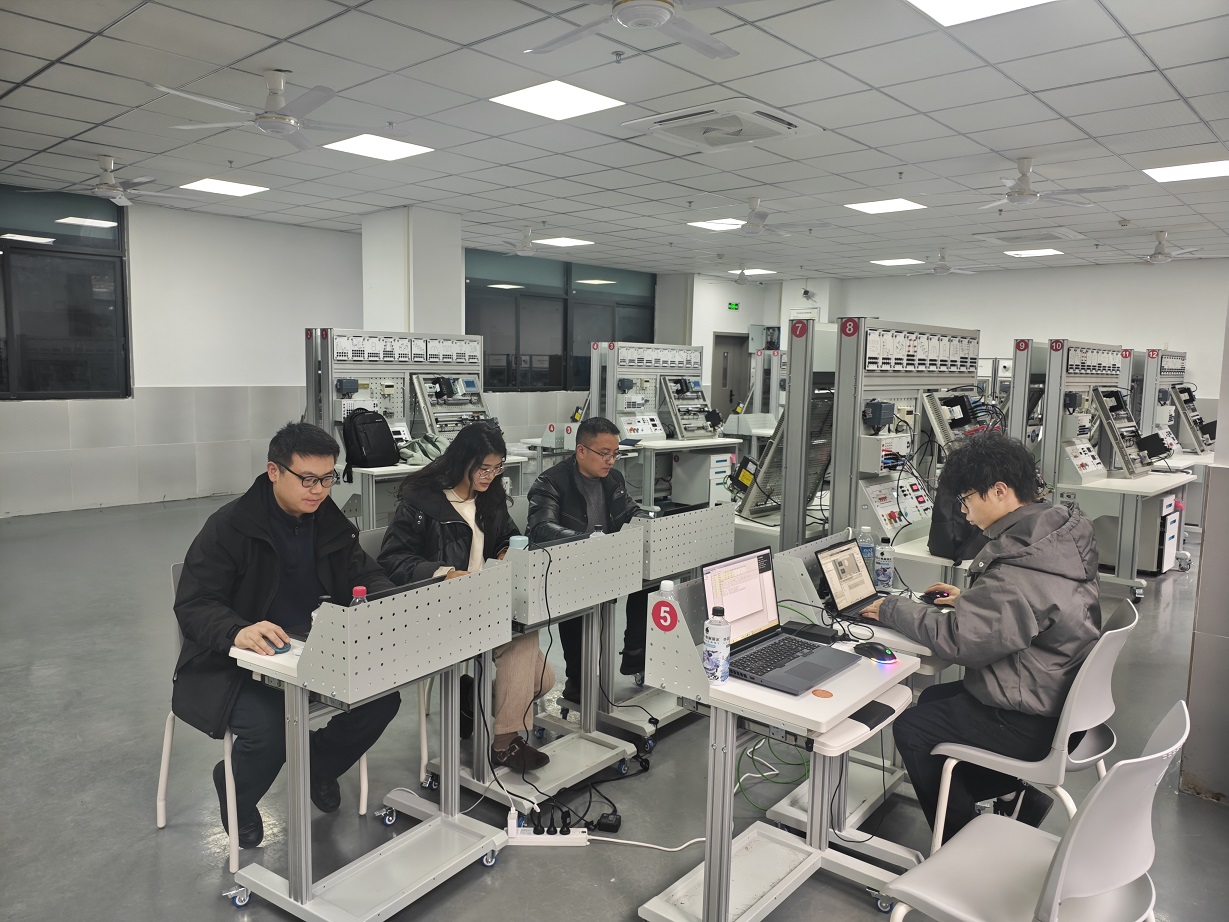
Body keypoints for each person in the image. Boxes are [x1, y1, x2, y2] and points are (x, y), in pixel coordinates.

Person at [862, 431, 1101, 843]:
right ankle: (1011, 794)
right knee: (934, 699)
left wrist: (891, 608)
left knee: (913, 727)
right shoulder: (1057, 537)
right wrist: (972, 600)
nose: (965, 512)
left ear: (1000, 491)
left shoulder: (1017, 569)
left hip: (1032, 722)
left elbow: (959, 641)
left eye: (967, 499)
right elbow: (1033, 606)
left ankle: (962, 840)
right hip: (1062, 698)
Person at [173, 422, 400, 849]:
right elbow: (194, 604)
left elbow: (364, 573)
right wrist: (238, 630)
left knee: (382, 699)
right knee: (273, 728)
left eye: (328, 479)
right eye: (308, 479)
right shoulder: (230, 527)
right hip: (238, 662)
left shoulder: (327, 519)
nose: (319, 491)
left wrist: (385, 600)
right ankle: (237, 791)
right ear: (274, 471)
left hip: (312, 650)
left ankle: (318, 766)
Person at [379, 422, 555, 772]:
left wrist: (506, 552)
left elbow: (507, 536)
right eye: (483, 468)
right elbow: (393, 560)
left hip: (484, 603)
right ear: (462, 462)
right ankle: (505, 743)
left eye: (497, 468)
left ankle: (471, 698)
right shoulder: (422, 501)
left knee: (544, 680)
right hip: (440, 610)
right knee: (523, 641)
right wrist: (445, 573)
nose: (490, 476)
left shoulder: (489, 497)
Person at [526, 416, 645, 701]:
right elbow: (541, 528)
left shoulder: (614, 479)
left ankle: (635, 655)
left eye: (615, 454)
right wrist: (587, 542)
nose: (611, 461)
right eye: (604, 454)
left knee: (652, 580)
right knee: (577, 599)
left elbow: (630, 511)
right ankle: (578, 681)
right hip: (569, 567)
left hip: (608, 560)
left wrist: (647, 520)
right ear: (581, 451)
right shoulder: (551, 482)